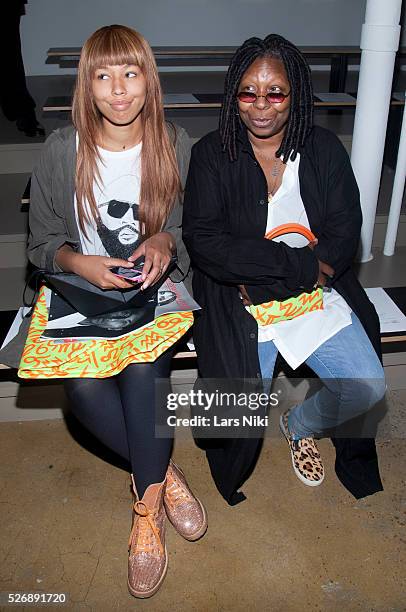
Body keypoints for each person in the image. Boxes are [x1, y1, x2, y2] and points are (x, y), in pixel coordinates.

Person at [0, 25, 207, 599]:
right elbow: (41, 241)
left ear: (149, 79)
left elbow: (197, 230)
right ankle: (162, 472)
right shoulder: (63, 148)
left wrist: (167, 240)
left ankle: (145, 512)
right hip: (82, 292)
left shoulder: (176, 143)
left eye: (131, 73)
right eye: (103, 75)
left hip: (155, 295)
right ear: (86, 84)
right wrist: (77, 261)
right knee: (86, 392)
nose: (119, 90)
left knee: (144, 370)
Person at [183, 34, 386, 504]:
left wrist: (292, 274)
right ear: (234, 94)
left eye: (275, 92)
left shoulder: (324, 148)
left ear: (294, 93)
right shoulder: (212, 153)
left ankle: (299, 426)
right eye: (248, 92)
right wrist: (298, 266)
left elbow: (343, 230)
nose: (260, 106)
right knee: (229, 420)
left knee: (367, 388)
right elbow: (207, 243)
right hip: (240, 301)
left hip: (311, 294)